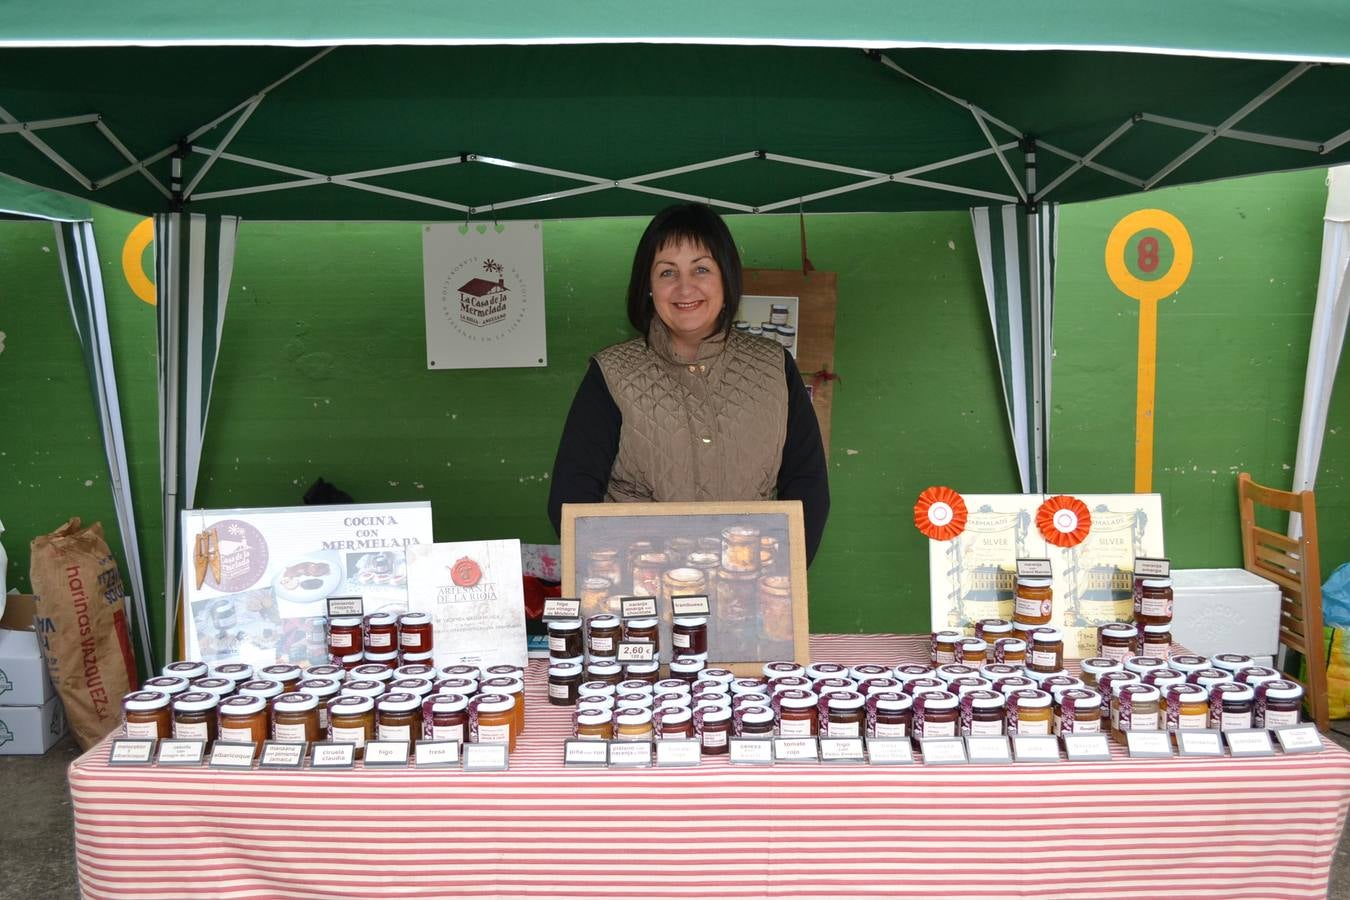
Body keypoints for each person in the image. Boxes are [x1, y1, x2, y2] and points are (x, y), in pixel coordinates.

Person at [547, 202, 829, 563]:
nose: (685, 287)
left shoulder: (774, 367)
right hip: (641, 600)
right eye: (667, 272)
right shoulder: (612, 373)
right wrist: (616, 572)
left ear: (726, 278)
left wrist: (780, 575)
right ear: (647, 286)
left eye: (701, 269)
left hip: (745, 587)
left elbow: (808, 483)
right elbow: (572, 496)